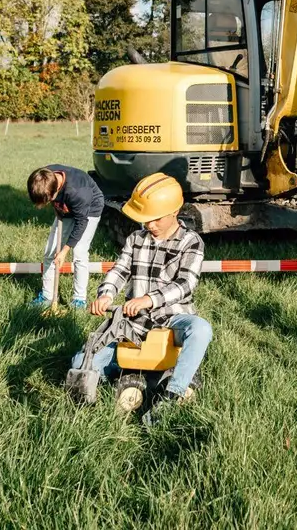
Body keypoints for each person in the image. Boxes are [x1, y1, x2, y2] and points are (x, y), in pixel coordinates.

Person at [66, 173, 210, 422]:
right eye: (145, 219)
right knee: (81, 360)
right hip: (134, 323)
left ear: (174, 211)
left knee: (201, 330)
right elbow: (120, 271)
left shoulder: (191, 242)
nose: (149, 225)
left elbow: (185, 284)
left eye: (155, 219)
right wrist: (106, 294)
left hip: (173, 319)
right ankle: (103, 390)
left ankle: (171, 397)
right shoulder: (136, 239)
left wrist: (148, 300)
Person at [27, 164, 106, 310]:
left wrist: (64, 251)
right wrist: (58, 208)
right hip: (66, 208)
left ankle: (79, 300)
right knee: (50, 251)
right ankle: (47, 296)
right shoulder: (43, 176)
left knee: (79, 253)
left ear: (56, 190)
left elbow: (81, 223)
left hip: (89, 210)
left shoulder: (77, 192)